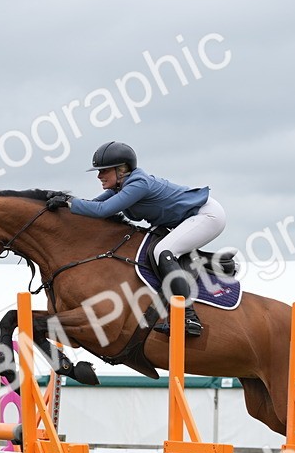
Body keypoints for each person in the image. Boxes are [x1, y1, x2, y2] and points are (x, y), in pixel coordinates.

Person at [46, 141, 226, 337]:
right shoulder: (120, 187)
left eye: (104, 170)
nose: (99, 176)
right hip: (186, 219)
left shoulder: (138, 185)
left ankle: (188, 317)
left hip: (207, 215)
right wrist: (64, 202)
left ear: (122, 169)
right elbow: (92, 205)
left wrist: (69, 201)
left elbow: (103, 210)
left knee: (163, 252)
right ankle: (206, 261)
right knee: (157, 248)